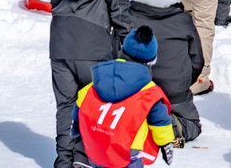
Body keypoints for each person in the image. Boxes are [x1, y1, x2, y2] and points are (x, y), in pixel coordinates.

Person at [50, 0, 132, 168]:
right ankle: (84, 157)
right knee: (95, 105)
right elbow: (119, 9)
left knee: (66, 104)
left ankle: (64, 159)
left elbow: (54, 3)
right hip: (94, 45)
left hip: (61, 43)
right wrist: (128, 48)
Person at [73, 24, 175, 168]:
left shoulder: (100, 79)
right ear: (152, 61)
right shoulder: (150, 92)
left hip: (96, 148)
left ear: (123, 50)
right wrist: (166, 143)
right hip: (127, 150)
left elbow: (82, 102)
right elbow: (160, 121)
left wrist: (77, 129)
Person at [128, 0, 203, 144]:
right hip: (174, 93)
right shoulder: (183, 19)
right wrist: (182, 81)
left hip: (134, 91)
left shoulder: (127, 16)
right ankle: (170, 126)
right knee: (192, 125)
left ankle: (137, 121)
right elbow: (197, 60)